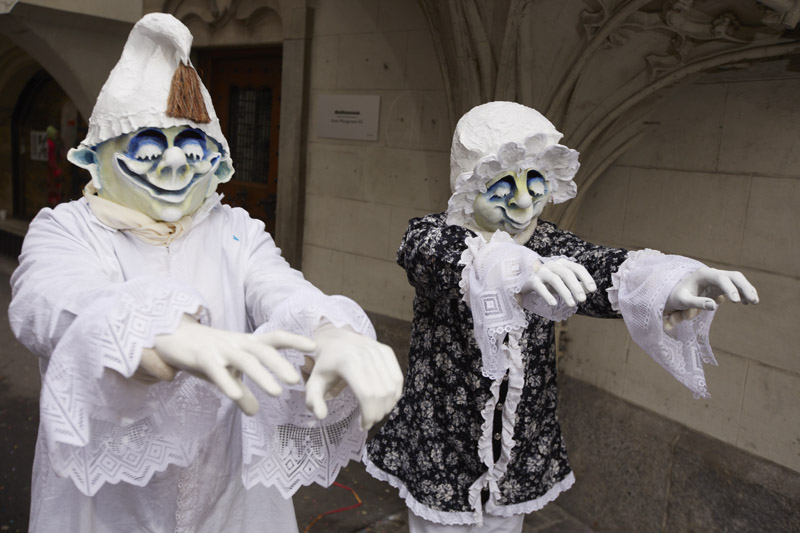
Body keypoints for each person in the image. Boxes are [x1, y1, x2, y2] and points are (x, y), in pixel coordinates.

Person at [9, 14, 402, 532]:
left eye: (192, 151)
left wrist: (330, 331)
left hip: (228, 496)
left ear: (218, 163)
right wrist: (153, 338)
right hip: (107, 505)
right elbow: (50, 300)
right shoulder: (67, 230)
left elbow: (280, 289)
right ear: (93, 158)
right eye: (148, 150)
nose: (173, 167)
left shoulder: (233, 230)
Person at [364, 101, 758, 533]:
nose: (522, 202)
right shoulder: (432, 236)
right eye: (501, 187)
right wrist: (521, 271)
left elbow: (600, 267)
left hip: (516, 451)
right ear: (469, 183)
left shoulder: (548, 241)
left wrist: (667, 285)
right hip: (442, 446)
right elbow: (443, 261)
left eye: (533, 183)